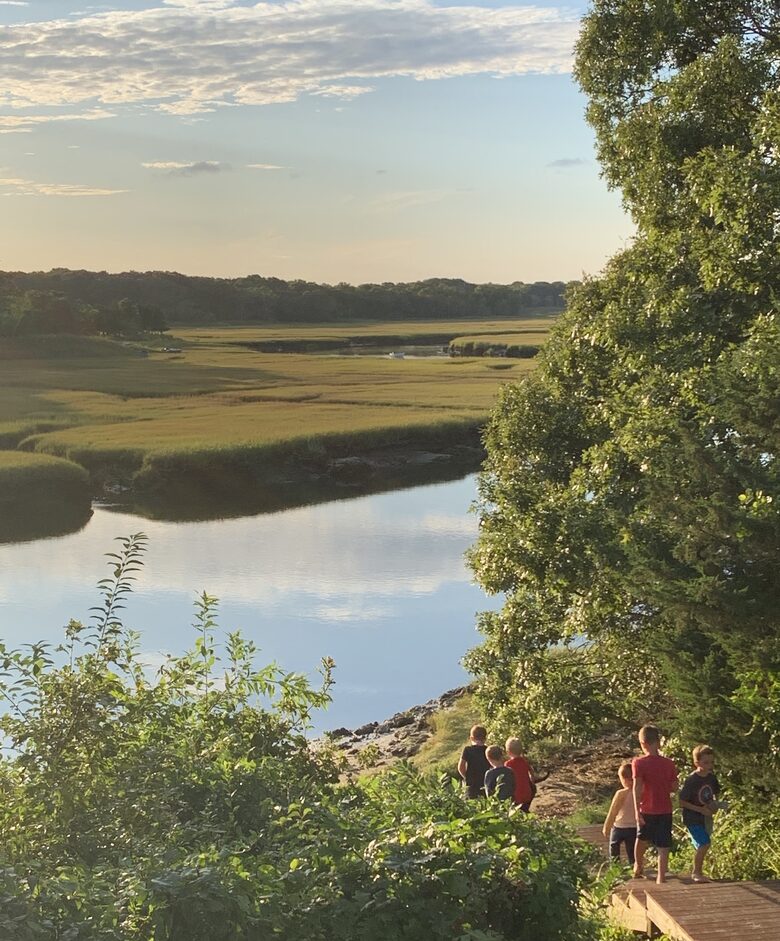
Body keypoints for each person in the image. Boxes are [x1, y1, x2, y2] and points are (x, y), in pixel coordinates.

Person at [632, 724, 678, 884]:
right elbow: (675, 787)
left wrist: (636, 810)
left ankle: (638, 865)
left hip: (647, 808)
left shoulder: (638, 763)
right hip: (665, 808)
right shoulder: (669, 763)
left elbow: (637, 787)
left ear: (642, 744)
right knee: (663, 845)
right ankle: (661, 877)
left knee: (642, 838)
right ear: (658, 742)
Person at [679, 744, 722, 883]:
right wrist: (700, 809)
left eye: (711, 762)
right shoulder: (692, 780)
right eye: (706, 762)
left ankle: (698, 870)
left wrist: (715, 805)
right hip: (692, 817)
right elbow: (682, 802)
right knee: (705, 843)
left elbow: (714, 795)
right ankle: (696, 873)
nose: (709, 765)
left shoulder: (711, 778)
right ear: (696, 763)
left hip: (706, 817)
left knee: (702, 843)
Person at [602, 760, 638, 866]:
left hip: (619, 826)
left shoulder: (621, 793)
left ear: (625, 780)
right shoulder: (640, 791)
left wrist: (607, 827)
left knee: (614, 847)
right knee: (631, 850)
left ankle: (615, 866)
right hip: (633, 826)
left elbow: (613, 811)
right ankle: (634, 866)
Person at [458, 724, 490, 799]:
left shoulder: (467, 750)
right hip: (485, 783)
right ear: (485, 738)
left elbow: (461, 767)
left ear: (471, 738)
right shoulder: (488, 750)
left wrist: (466, 777)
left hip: (471, 785)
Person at [505, 737, 535, 811]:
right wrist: (532, 778)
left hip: (516, 795)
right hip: (527, 793)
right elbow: (531, 770)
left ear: (508, 752)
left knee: (516, 811)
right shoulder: (524, 761)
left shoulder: (508, 764)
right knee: (525, 809)